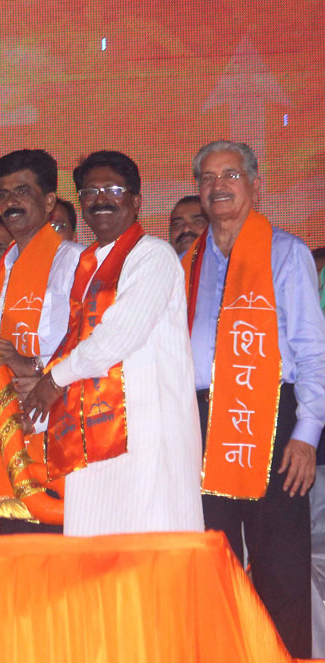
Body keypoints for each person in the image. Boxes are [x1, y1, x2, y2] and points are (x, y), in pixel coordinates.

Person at [184, 140, 324, 658]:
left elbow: (313, 350)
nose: (218, 186)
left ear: (256, 186)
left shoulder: (285, 252)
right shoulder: (187, 261)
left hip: (271, 419)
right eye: (208, 178)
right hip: (202, 419)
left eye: (231, 175)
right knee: (211, 553)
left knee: (280, 562)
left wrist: (307, 433)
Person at [19, 150, 203, 538]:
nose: (100, 198)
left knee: (149, 559)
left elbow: (119, 335)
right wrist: (33, 403)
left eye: (113, 189)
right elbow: (75, 342)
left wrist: (52, 383)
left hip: (145, 436)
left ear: (137, 201)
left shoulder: (153, 255)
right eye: (90, 191)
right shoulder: (88, 264)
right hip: (92, 441)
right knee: (95, 558)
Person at [0, 149, 83, 535]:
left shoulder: (74, 260)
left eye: (22, 191)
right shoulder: (0, 271)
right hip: (5, 431)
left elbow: (92, 342)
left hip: (60, 433)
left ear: (50, 201)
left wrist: (32, 364)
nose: (10, 203)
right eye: (4, 194)